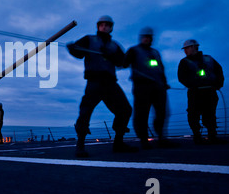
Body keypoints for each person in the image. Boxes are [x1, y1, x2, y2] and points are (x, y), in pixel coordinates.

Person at [67, 15, 135, 157]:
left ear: (111, 27)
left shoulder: (114, 45)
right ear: (98, 26)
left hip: (110, 83)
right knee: (85, 112)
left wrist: (112, 56)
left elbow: (123, 63)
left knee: (125, 109)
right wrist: (72, 48)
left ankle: (118, 143)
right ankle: (80, 146)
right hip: (94, 82)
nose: (104, 27)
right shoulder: (88, 39)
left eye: (107, 25)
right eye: (102, 24)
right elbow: (78, 53)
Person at [123, 27, 173, 149]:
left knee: (162, 113)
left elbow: (161, 69)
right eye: (145, 37)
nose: (147, 39)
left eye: (149, 37)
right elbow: (123, 63)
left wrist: (164, 82)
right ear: (141, 38)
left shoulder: (155, 52)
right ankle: (144, 139)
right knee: (141, 114)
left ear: (151, 39)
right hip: (142, 87)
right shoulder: (133, 50)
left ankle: (161, 137)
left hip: (159, 87)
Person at [178, 39, 225, 144]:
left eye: (186, 48)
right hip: (196, 92)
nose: (185, 51)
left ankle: (211, 135)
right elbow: (182, 77)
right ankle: (198, 136)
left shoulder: (208, 59)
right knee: (194, 114)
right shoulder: (184, 62)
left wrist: (217, 84)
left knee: (209, 113)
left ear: (193, 47)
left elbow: (219, 71)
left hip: (209, 91)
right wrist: (192, 85)